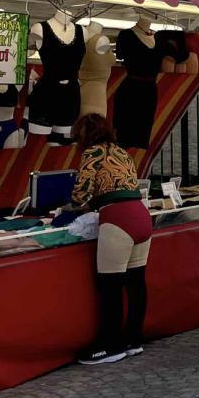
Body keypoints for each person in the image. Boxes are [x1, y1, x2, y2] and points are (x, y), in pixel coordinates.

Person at [68, 114, 153, 366]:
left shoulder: (91, 153)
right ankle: (133, 339)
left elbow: (81, 192)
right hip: (140, 215)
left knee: (110, 286)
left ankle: (110, 345)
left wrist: (72, 206)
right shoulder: (121, 152)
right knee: (136, 282)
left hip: (117, 219)